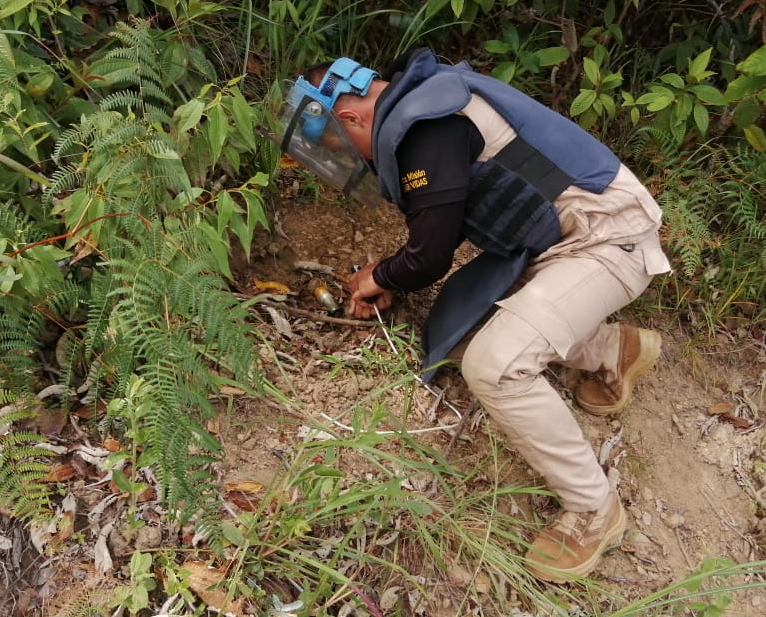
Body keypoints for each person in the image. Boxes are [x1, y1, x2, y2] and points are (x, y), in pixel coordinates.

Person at [276, 48, 671, 582]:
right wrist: (390, 272)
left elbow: (431, 255)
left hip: (606, 238)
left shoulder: (425, 128)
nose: (356, 160)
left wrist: (383, 276)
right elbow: (444, 220)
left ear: (350, 117)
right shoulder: (424, 105)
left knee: (494, 365)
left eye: (343, 147)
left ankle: (594, 509)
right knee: (459, 334)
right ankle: (610, 351)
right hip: (555, 244)